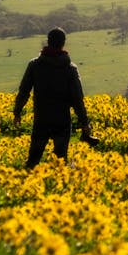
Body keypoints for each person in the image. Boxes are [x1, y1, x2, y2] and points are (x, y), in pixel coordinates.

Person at [13, 27, 93, 169]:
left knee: (33, 160)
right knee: (60, 162)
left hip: (41, 118)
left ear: (48, 42)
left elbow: (24, 91)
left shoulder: (35, 65)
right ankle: (57, 188)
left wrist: (17, 112)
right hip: (62, 120)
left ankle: (25, 187)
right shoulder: (70, 68)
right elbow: (77, 99)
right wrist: (84, 122)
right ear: (63, 43)